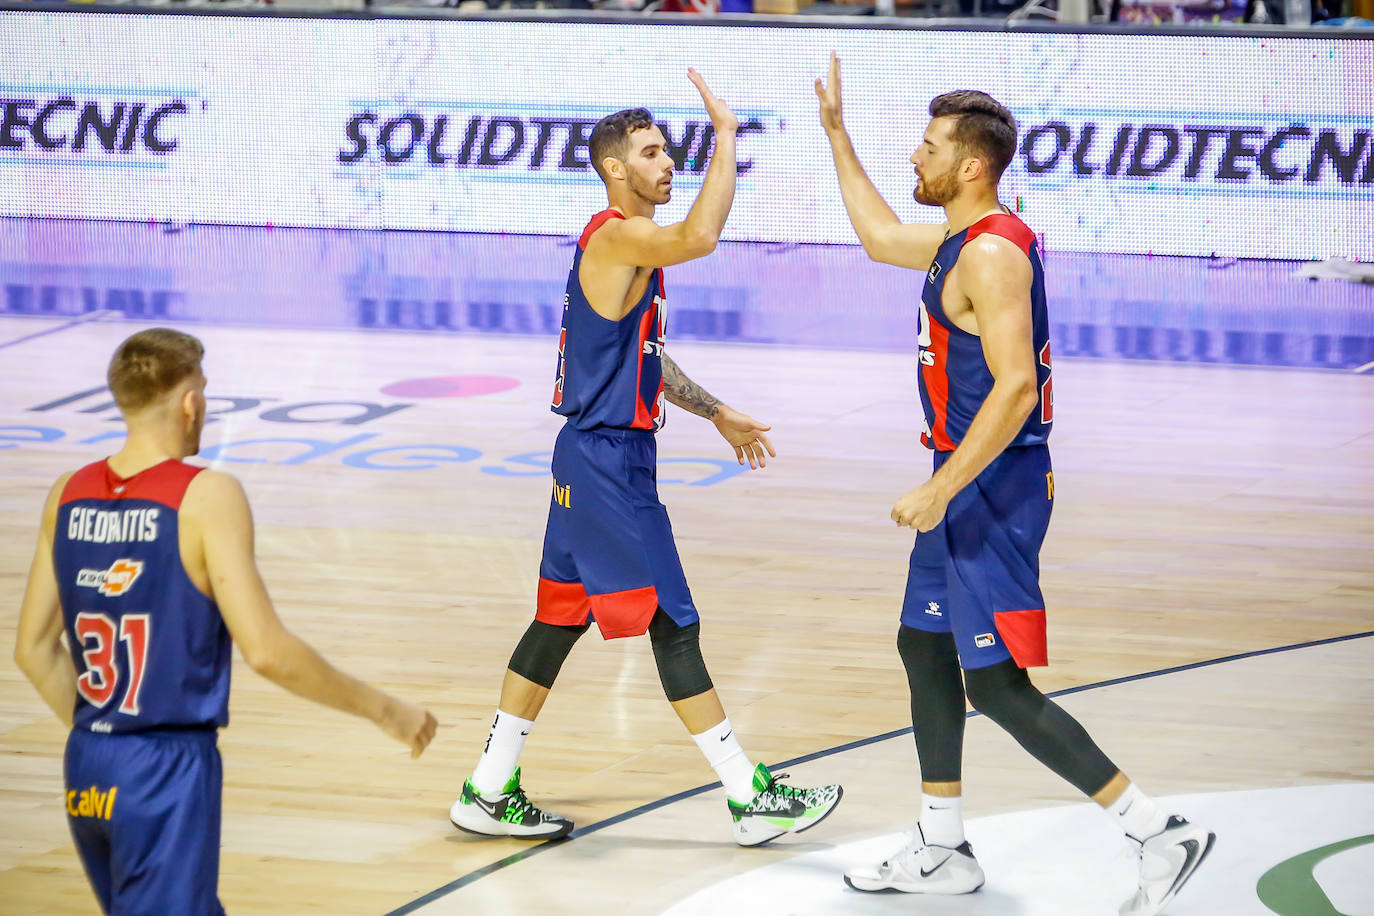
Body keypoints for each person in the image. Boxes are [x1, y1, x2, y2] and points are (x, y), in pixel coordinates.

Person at [814, 55, 1214, 916]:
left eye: (925, 150)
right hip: (959, 478)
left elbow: (1016, 388)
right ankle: (944, 843)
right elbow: (882, 239)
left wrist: (941, 488)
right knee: (922, 649)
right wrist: (837, 136)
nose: (912, 161)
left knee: (993, 685)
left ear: (969, 166)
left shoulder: (993, 257)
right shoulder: (962, 238)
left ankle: (1154, 829)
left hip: (991, 485)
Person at [448, 70, 842, 847]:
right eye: (653, 152)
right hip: (604, 466)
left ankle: (488, 788)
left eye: (672, 151)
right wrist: (727, 137)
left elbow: (644, 358)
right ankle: (747, 794)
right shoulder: (616, 234)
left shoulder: (629, 250)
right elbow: (701, 236)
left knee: (558, 621)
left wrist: (716, 410)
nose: (670, 164)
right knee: (673, 621)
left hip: (592, 459)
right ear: (613, 169)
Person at [13, 328, 438, 916]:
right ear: (190, 401)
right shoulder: (207, 496)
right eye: (204, 393)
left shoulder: (67, 493)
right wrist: (386, 711)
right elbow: (266, 651)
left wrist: (106, 735)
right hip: (164, 768)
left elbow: (33, 649)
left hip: (89, 762)